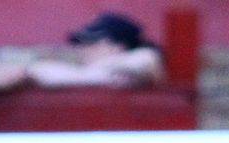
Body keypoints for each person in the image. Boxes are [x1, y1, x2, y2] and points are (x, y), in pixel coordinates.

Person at [28, 12, 165, 89]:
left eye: (91, 42)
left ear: (117, 46)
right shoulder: (102, 70)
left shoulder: (143, 57)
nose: (83, 49)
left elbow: (146, 61)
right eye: (82, 43)